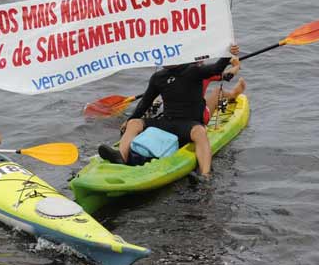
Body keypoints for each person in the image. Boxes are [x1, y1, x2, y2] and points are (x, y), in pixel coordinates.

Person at [98, 45, 244, 180]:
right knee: (134, 123)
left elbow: (216, 69)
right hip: (167, 121)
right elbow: (145, 102)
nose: (162, 59)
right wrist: (131, 118)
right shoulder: (158, 77)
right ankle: (121, 156)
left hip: (189, 124)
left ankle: (205, 175)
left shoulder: (193, 70)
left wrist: (227, 54)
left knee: (200, 132)